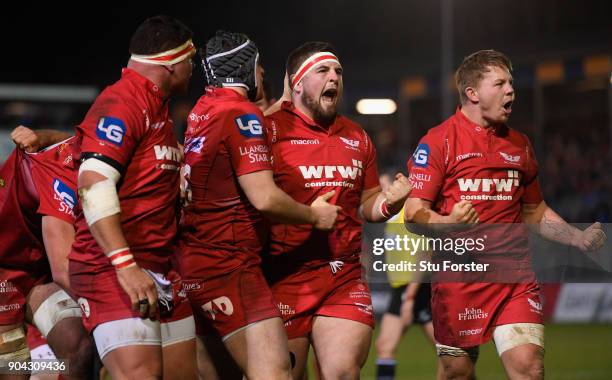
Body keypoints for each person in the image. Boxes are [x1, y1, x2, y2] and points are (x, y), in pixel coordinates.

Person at [404, 49, 606, 380]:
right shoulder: (438, 141)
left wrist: (578, 237)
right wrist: (447, 222)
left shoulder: (520, 145)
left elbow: (534, 211)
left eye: (511, 83)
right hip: (459, 280)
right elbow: (414, 213)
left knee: (529, 366)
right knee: (457, 372)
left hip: (514, 278)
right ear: (472, 93)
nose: (511, 90)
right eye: (499, 83)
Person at [177, 31, 340, 380]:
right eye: (259, 66)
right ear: (248, 67)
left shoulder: (201, 111)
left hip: (192, 263)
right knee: (275, 373)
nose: (263, 73)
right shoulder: (241, 113)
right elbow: (264, 197)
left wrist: (279, 101)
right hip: (230, 266)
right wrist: (314, 215)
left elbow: (234, 132)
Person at [263, 41, 412, 380]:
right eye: (323, 70)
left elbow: (368, 203)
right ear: (297, 83)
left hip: (342, 276)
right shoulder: (269, 131)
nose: (335, 77)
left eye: (339, 72)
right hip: (283, 276)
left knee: (343, 372)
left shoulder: (356, 136)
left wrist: (390, 201)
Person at [68, 15, 197, 379]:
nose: (193, 68)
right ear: (170, 63)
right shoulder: (125, 100)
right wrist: (125, 265)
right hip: (111, 268)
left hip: (159, 266)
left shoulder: (157, 106)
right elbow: (94, 182)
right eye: (190, 59)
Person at [0, 134, 94, 380]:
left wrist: (41, 135)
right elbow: (64, 269)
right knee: (13, 369)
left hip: (37, 272)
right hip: (5, 270)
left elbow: (75, 134)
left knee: (78, 349)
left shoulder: (90, 150)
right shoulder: (61, 172)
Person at [375, 174, 442, 380]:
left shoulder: (411, 213)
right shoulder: (389, 217)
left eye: (383, 184)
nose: (379, 190)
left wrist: (411, 296)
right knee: (385, 345)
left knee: (448, 353)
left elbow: (425, 255)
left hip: (418, 287)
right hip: (401, 288)